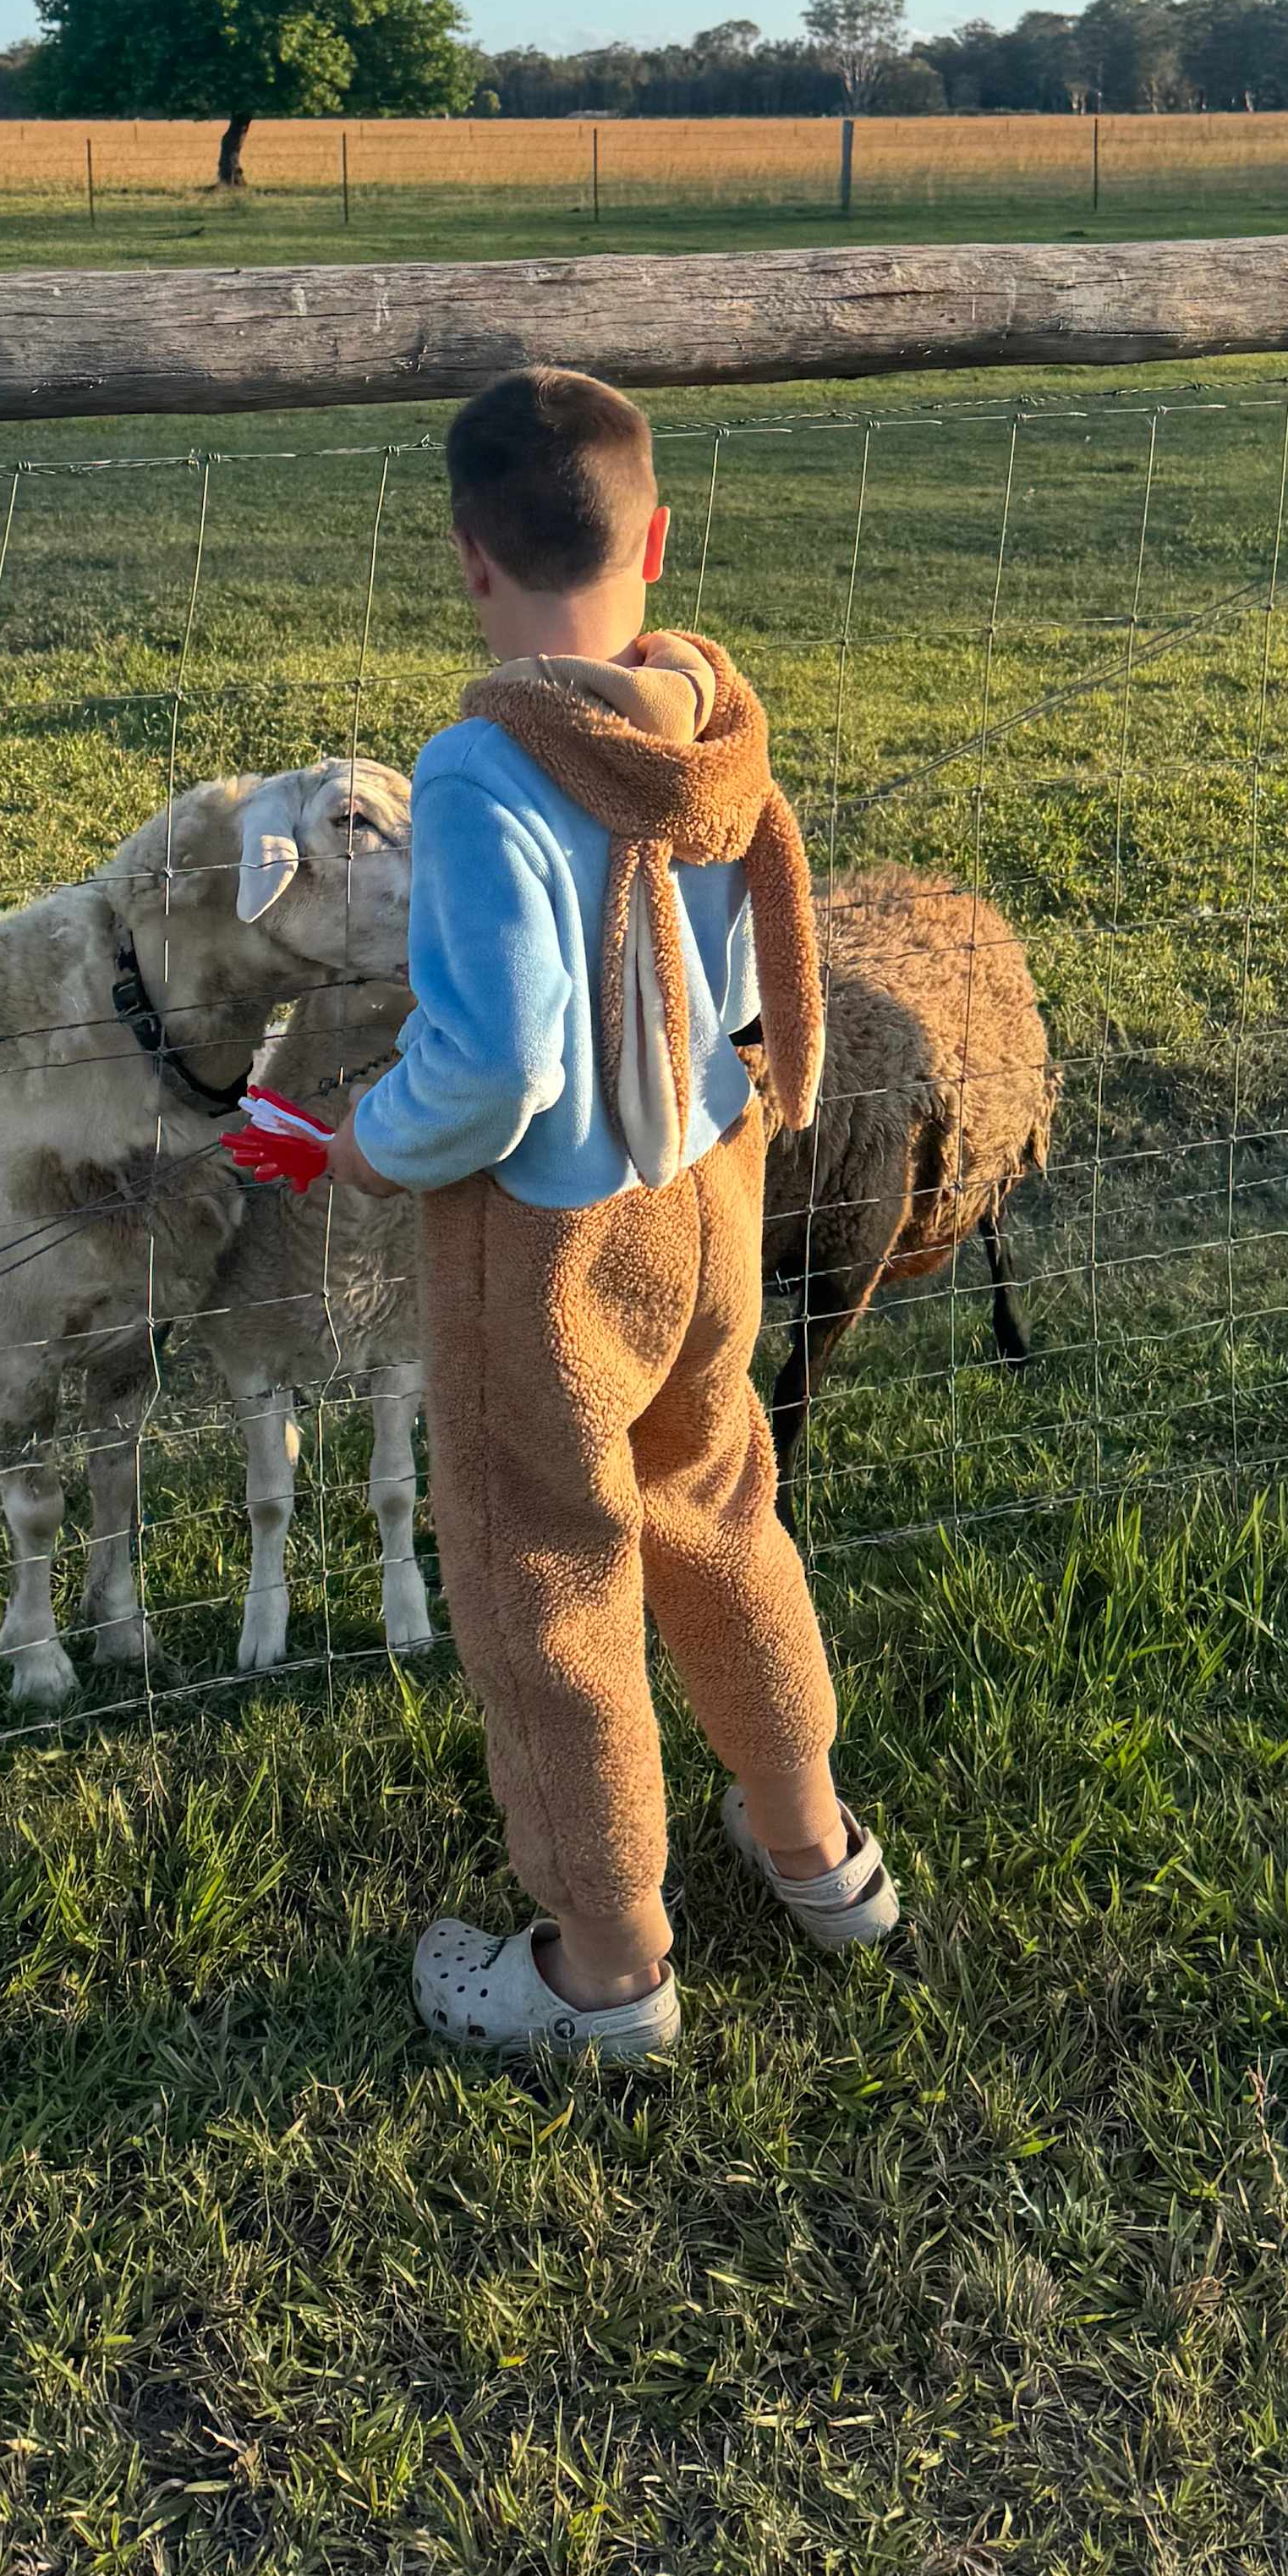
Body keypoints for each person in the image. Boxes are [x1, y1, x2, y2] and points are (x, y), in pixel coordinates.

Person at [324, 363, 897, 2062]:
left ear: (469, 562)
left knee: (545, 1573)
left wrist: (369, 1141)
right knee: (718, 1505)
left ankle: (604, 1963)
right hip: (713, 1184)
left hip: (555, 1239)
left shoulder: (490, 768)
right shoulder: (708, 721)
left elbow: (496, 1064)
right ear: (657, 535)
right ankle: (814, 1848)